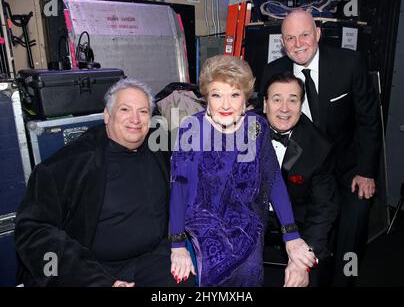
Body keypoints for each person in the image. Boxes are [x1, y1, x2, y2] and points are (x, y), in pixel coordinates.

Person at [14, 78, 192, 287]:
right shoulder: (70, 163)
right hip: (90, 269)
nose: (135, 119)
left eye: (143, 112)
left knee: (186, 282)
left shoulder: (159, 147)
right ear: (107, 115)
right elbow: (32, 230)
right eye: (125, 109)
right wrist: (98, 281)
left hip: (152, 257)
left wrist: (178, 244)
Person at [168, 54, 316, 287]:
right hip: (203, 223)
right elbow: (179, 187)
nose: (226, 105)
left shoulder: (257, 127)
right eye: (217, 95)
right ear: (207, 97)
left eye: (234, 94)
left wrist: (291, 235)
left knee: (250, 273)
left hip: (247, 223)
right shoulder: (192, 129)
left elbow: (273, 178)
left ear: (246, 97)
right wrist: (177, 245)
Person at [259, 10, 381, 286]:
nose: (298, 43)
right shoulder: (272, 71)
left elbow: (368, 121)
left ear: (317, 34)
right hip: (302, 172)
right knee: (310, 230)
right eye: (290, 38)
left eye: (304, 35)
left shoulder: (350, 63)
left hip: (348, 169)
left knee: (351, 230)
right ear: (282, 41)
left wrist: (366, 171)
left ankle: (345, 280)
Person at [263, 71, 339, 286]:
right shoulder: (243, 132)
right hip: (251, 220)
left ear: (301, 104)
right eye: (277, 99)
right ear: (265, 103)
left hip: (300, 224)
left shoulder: (319, 147)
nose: (285, 108)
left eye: (292, 100)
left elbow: (324, 208)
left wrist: (302, 261)